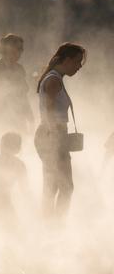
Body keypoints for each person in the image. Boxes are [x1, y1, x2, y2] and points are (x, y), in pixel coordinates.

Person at [34, 43, 86, 223]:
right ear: (68, 59)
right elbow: (48, 112)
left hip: (52, 136)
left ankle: (48, 225)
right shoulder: (54, 79)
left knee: (54, 186)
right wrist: (55, 139)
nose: (79, 66)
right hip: (52, 137)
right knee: (65, 187)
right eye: (78, 62)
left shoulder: (54, 78)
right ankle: (55, 226)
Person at [0, 34, 34, 135]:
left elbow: (23, 96)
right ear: (7, 48)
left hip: (18, 117)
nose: (20, 52)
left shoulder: (19, 69)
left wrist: (30, 116)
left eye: (21, 49)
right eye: (18, 48)